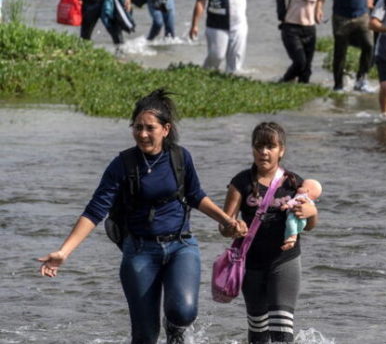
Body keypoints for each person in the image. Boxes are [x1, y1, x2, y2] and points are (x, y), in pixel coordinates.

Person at [37, 89, 242, 344]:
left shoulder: (180, 157)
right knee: (145, 335)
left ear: (165, 129)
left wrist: (226, 220)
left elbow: (196, 195)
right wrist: (64, 252)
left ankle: (175, 328)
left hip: (181, 245)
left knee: (183, 311)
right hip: (139, 251)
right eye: (137, 127)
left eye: (149, 128)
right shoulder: (122, 164)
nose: (142, 134)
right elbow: (94, 211)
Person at [220, 122, 318, 343]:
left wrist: (311, 212)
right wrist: (233, 227)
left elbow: (309, 226)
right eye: (259, 146)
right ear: (252, 148)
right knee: (258, 333)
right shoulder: (241, 182)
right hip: (250, 264)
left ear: (281, 150)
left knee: (282, 332)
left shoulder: (294, 182)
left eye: (270, 146)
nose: (264, 152)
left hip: (285, 261)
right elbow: (223, 226)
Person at [316, 0, 375, 92]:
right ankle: (338, 86)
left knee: (369, 45)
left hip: (362, 15)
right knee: (340, 51)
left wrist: (370, 0)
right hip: (341, 17)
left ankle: (361, 80)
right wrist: (319, 8)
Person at [190, 0, 248, 74]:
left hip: (238, 25)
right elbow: (200, 2)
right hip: (216, 25)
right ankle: (204, 75)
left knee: (235, 63)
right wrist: (194, 25)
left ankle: (231, 80)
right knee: (217, 56)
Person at [276, 0, 319, 83]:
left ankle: (302, 91)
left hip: (310, 29)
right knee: (300, 63)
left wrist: (320, 7)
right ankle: (285, 80)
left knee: (306, 71)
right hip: (291, 28)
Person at [281, 178, 322, 251]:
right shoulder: (310, 201)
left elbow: (293, 201)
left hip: (294, 216)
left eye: (301, 187)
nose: (298, 187)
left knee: (290, 223)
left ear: (307, 191)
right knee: (294, 228)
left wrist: (287, 205)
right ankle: (291, 240)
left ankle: (292, 238)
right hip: (302, 220)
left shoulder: (300, 195)